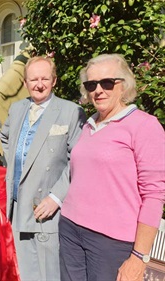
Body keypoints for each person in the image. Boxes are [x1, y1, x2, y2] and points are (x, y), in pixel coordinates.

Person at [59, 53, 165, 281]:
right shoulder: (87, 125)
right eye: (91, 84)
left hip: (111, 242)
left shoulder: (144, 126)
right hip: (70, 229)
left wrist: (139, 256)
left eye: (107, 82)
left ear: (123, 85)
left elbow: (154, 195)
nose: (98, 90)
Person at [0, 56, 86, 281]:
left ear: (54, 80)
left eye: (45, 78)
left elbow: (78, 160)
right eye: (33, 79)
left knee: (48, 275)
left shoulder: (71, 111)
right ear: (25, 82)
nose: (39, 84)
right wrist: (17, 165)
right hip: (18, 205)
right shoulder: (17, 108)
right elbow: (5, 136)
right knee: (26, 273)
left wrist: (56, 197)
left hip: (47, 210)